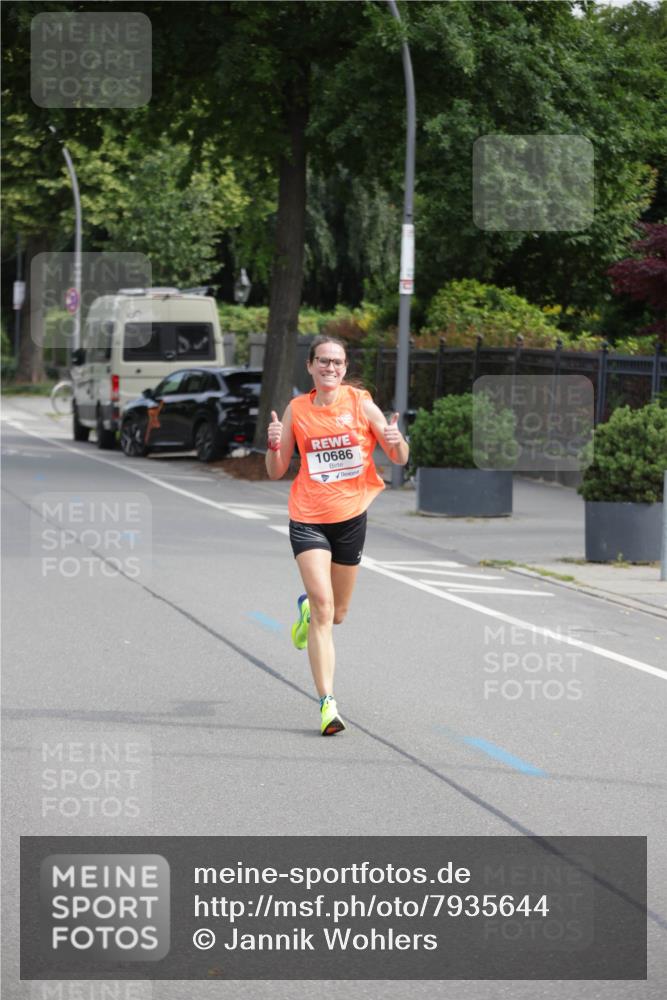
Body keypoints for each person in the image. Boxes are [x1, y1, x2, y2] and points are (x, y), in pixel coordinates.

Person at [265, 335, 409, 736]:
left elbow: (397, 456)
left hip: (350, 517)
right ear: (310, 366)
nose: (331, 368)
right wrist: (273, 444)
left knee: (337, 614)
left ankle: (307, 610)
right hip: (307, 516)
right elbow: (276, 470)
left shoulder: (360, 403)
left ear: (345, 369)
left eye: (338, 363)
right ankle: (327, 703)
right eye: (323, 361)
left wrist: (398, 444)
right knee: (326, 607)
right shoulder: (297, 409)